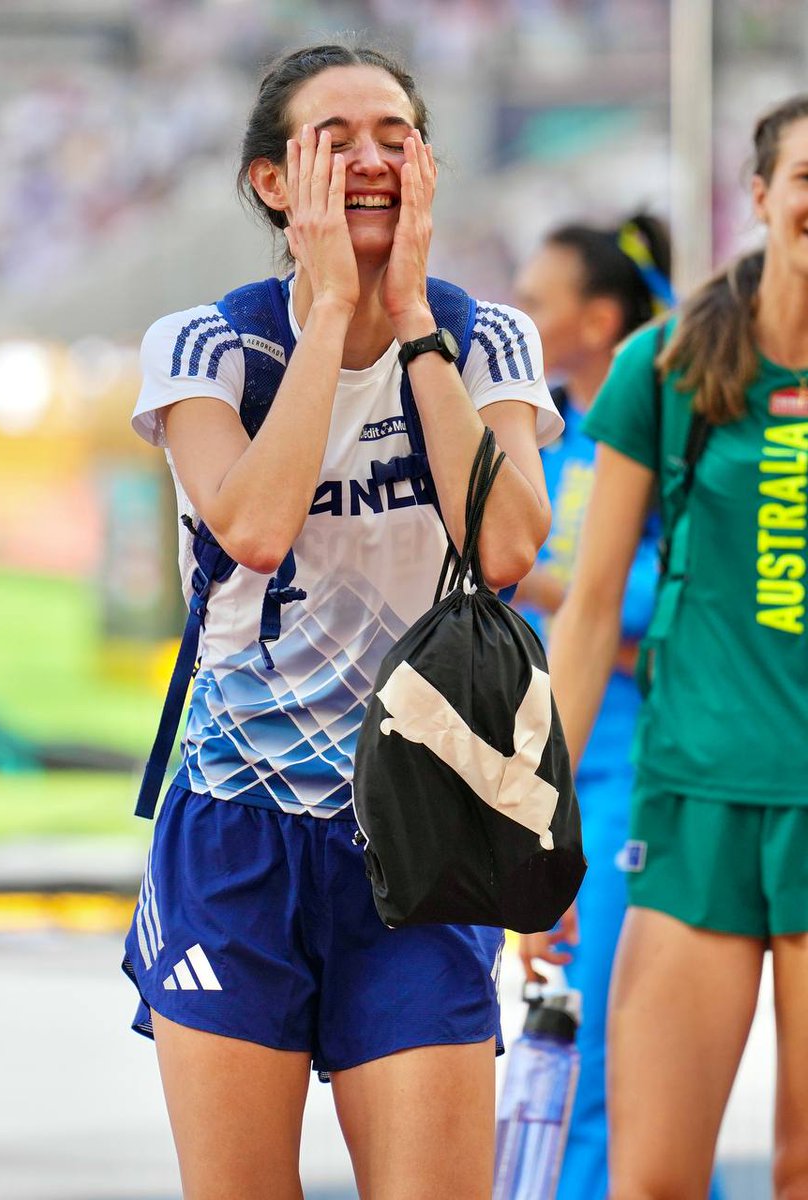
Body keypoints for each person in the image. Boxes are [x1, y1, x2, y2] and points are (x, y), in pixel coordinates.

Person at [123, 41, 562, 1199]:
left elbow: (512, 545)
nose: (371, 159)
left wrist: (412, 321)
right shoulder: (207, 344)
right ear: (275, 182)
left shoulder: (486, 339)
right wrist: (327, 316)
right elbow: (254, 528)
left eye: (394, 137)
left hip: (420, 833)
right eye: (335, 141)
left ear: (428, 165)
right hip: (237, 833)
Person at [544, 93, 808, 1199]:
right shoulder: (664, 365)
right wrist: (543, 830)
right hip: (692, 804)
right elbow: (591, 608)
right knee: (649, 1180)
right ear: (761, 195)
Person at [511, 215, 680, 1200]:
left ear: (599, 318)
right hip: (556, 773)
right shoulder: (555, 439)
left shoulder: (659, 430)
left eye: (537, 300)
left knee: (594, 1058)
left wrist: (557, 588)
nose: (518, 317)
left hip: (633, 781)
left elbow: (671, 605)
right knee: (573, 1052)